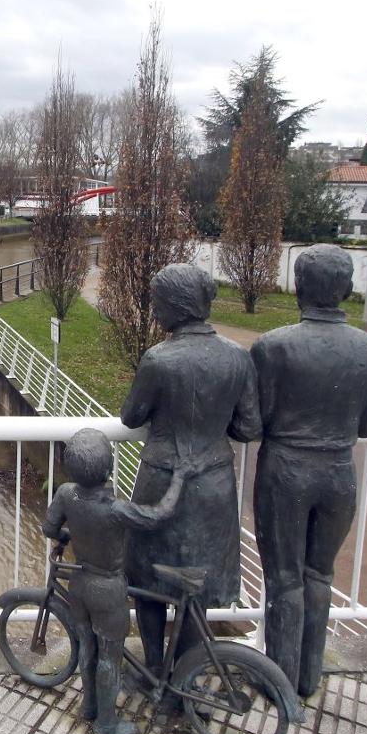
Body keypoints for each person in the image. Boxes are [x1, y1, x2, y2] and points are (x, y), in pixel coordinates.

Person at [251, 244, 367, 698]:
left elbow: (261, 419)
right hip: (338, 474)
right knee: (319, 575)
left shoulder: (272, 347)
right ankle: (309, 677)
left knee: (284, 579)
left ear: (298, 288)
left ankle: (280, 681)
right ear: (347, 290)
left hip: (285, 471)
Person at [120, 264, 261, 680]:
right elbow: (250, 427)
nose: (154, 309)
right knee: (195, 584)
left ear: (174, 305)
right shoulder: (237, 357)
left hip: (161, 479)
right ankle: (187, 675)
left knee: (146, 579)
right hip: (214, 484)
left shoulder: (159, 359)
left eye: (157, 302)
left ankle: (153, 667)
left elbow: (131, 416)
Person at [42, 428, 187, 734]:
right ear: (108, 470)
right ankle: (106, 724)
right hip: (108, 590)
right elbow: (159, 514)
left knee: (86, 645)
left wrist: (70, 537)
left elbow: (49, 527)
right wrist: (179, 478)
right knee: (110, 655)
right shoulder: (116, 509)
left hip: (80, 583)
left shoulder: (67, 493)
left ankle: (89, 706)